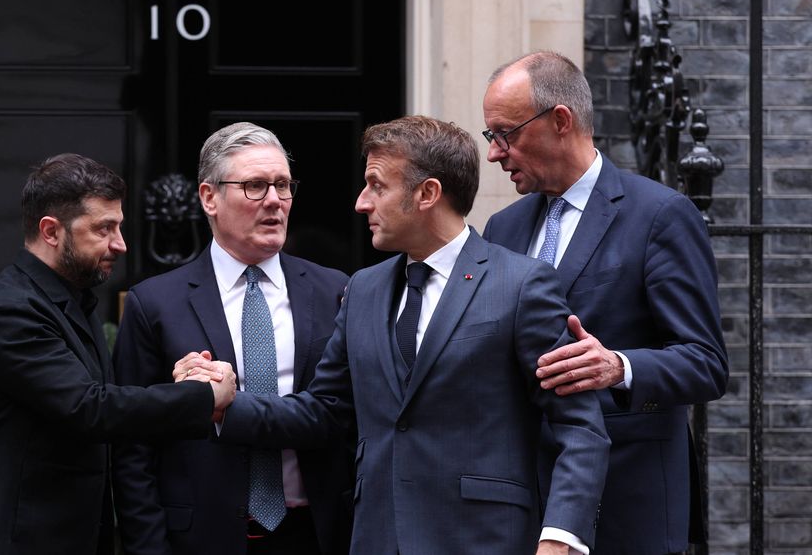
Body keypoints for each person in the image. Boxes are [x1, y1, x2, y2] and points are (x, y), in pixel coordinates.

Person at [188, 116, 609, 554]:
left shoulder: (521, 285)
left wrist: (561, 539)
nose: (361, 202)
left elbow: (580, 428)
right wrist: (224, 405)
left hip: (486, 540)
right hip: (379, 538)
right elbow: (325, 411)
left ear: (427, 193)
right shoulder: (363, 290)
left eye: (376, 185)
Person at [480, 51, 729, 555]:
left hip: (626, 505)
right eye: (492, 137)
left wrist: (618, 366)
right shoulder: (502, 228)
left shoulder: (660, 215)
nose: (495, 153)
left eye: (505, 133)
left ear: (560, 121)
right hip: (525, 508)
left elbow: (707, 364)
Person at [0, 153, 236, 555]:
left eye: (119, 227)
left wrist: (178, 382)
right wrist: (203, 396)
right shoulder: (9, 311)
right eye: (103, 229)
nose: (121, 244)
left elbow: (90, 398)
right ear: (51, 231)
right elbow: (88, 407)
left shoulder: (72, 301)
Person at [112, 122, 353, 555]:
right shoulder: (155, 303)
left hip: (316, 533)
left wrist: (226, 404)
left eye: (283, 185)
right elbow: (133, 448)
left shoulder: (335, 291)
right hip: (201, 537)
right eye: (256, 186)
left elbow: (347, 416)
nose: (275, 201)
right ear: (209, 198)